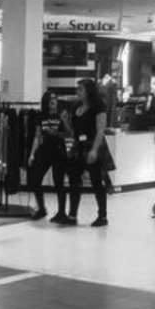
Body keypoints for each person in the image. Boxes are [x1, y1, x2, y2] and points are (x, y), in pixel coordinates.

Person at [66, 79, 109, 227]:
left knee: (96, 182)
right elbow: (74, 131)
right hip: (78, 147)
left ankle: (102, 216)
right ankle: (72, 215)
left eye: (80, 89)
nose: (77, 92)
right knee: (74, 182)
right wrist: (66, 122)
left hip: (92, 146)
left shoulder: (98, 106)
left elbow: (100, 130)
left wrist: (94, 150)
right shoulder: (76, 106)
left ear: (88, 91)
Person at [28, 91, 73, 224]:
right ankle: (41, 208)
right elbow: (37, 136)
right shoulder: (41, 116)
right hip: (44, 150)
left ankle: (61, 212)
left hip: (59, 151)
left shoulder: (62, 115)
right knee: (35, 179)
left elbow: (70, 134)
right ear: (46, 101)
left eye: (55, 98)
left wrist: (59, 131)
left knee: (59, 182)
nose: (53, 100)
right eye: (51, 98)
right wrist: (32, 153)